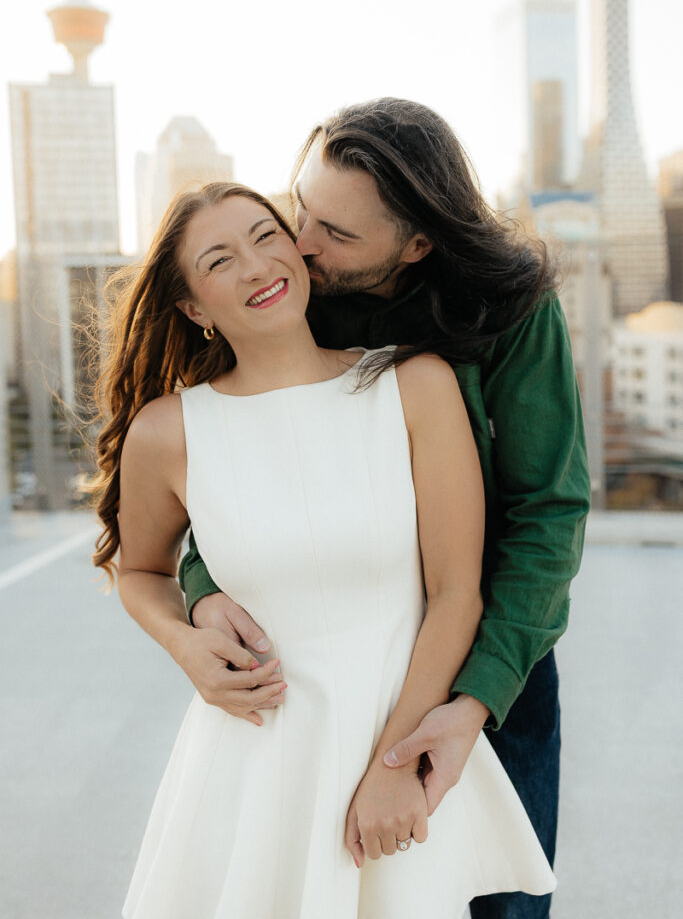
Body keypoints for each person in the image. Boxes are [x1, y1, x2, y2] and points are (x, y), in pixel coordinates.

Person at [91, 181, 556, 918]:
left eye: (265, 235)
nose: (255, 266)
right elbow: (143, 569)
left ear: (299, 249)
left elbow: (455, 593)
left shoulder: (414, 385)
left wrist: (395, 766)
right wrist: (182, 641)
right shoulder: (167, 431)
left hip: (395, 737)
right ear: (191, 307)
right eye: (219, 260)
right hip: (250, 760)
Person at [179, 98, 591, 919]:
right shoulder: (283, 285)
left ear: (418, 243)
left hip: (485, 661)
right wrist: (200, 589)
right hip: (324, 674)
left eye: (334, 233)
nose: (298, 244)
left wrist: (467, 707)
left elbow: (547, 513)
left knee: (496, 903)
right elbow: (222, 454)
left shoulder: (510, 309)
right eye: (302, 207)